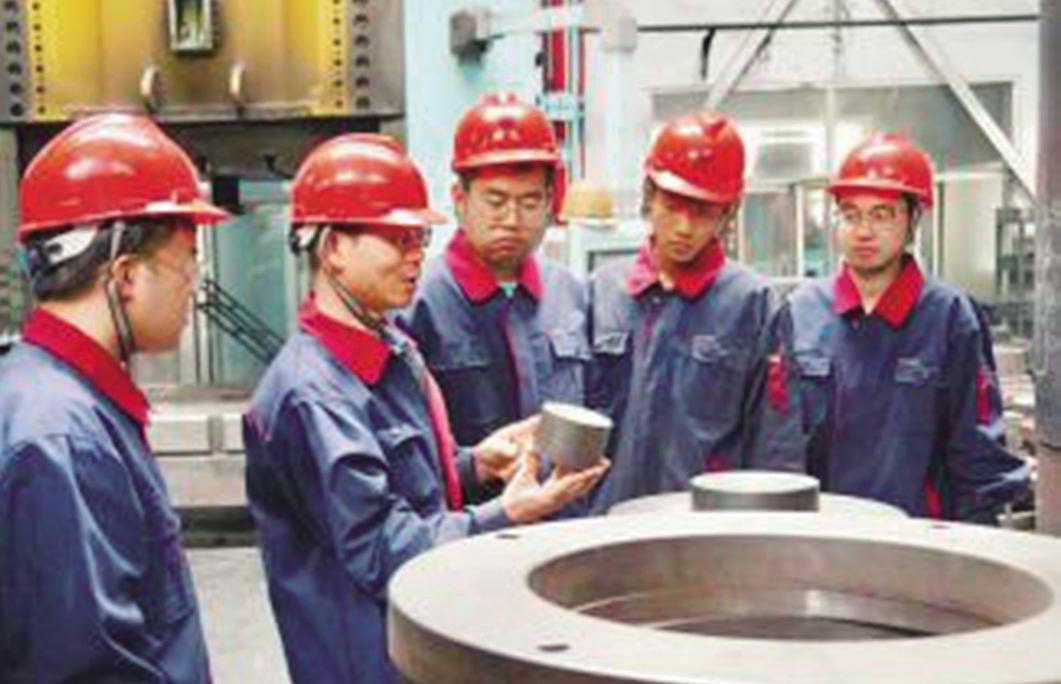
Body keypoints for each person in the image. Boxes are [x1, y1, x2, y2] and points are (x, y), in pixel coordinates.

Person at [243, 133, 607, 684]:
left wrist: (475, 463)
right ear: (333, 248)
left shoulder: (388, 351)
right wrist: (507, 514)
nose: (416, 255)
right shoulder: (314, 395)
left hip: (411, 646)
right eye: (396, 239)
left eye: (419, 237)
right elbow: (381, 547)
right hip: (364, 662)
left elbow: (400, 482)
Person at [0, 113, 229, 682]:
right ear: (125, 276)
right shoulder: (59, 437)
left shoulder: (55, 397)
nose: (193, 287)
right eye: (186, 263)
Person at [758, 132, 1029, 520]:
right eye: (851, 214)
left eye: (882, 214)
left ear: (913, 219)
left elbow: (977, 452)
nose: (863, 231)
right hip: (821, 536)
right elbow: (777, 445)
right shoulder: (802, 312)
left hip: (916, 539)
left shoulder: (949, 317)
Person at [399, 93, 589, 502]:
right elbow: (404, 463)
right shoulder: (418, 307)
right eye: (496, 201)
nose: (512, 220)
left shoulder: (570, 296)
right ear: (460, 199)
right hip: (468, 530)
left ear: (549, 204)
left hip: (563, 525)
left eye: (530, 202)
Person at [586, 111, 780, 513]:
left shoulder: (752, 304)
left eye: (703, 212)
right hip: (605, 525)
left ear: (728, 213)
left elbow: (773, 445)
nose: (684, 228)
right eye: (672, 206)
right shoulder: (600, 293)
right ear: (649, 196)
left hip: (704, 530)